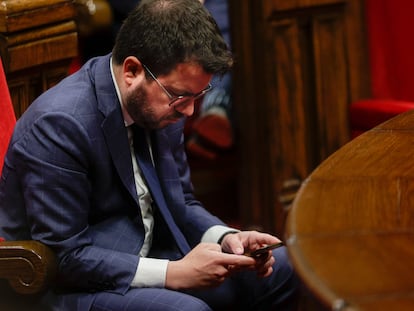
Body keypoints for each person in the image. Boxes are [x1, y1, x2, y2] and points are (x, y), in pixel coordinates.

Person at [0, 0, 299, 310]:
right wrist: (174, 273)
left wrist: (225, 237)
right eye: (180, 96)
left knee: (283, 266)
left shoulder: (161, 104)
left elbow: (181, 201)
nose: (189, 110)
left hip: (154, 253)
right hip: (75, 287)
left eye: (198, 96)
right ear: (132, 70)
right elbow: (66, 258)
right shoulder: (60, 124)